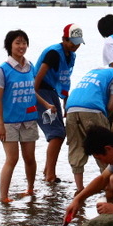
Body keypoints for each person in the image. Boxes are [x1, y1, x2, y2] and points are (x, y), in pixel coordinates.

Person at [0, 29, 54, 203]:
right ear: (9, 46)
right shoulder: (3, 70)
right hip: (9, 121)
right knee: (12, 159)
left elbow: (30, 91)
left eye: (24, 42)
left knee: (30, 158)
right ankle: (4, 196)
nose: (21, 46)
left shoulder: (30, 66)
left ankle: (30, 189)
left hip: (28, 119)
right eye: (17, 43)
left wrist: (46, 104)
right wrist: (1, 124)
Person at [65, 61, 113, 194]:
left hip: (71, 109)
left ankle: (80, 189)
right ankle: (110, 188)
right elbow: (110, 105)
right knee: (104, 148)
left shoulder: (95, 71)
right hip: (92, 110)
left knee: (76, 148)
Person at [34, 24, 83, 183]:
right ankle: (50, 176)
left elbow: (64, 81)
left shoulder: (70, 56)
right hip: (40, 93)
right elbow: (37, 81)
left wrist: (65, 103)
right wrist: (40, 101)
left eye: (78, 42)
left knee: (60, 132)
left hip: (51, 93)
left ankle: (47, 171)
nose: (75, 46)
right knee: (56, 134)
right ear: (64, 39)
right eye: (72, 42)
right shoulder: (54, 54)